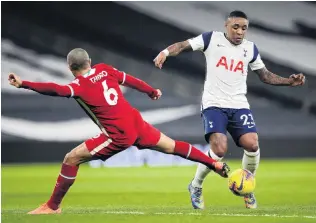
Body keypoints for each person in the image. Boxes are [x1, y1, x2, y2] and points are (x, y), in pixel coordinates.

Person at [8, 48, 230, 215]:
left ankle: (52, 206)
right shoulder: (105, 69)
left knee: (71, 158)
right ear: (90, 62)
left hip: (118, 134)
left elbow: (56, 90)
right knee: (173, 146)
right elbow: (130, 80)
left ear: (70, 68)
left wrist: (24, 83)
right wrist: (151, 91)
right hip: (136, 122)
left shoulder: (77, 86)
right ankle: (214, 163)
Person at [153, 10, 306, 209]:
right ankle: (196, 185)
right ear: (226, 25)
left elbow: (265, 75)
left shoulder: (250, 49)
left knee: (252, 144)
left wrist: (288, 82)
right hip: (214, 104)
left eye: (244, 28)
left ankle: (247, 188)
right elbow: (182, 45)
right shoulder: (211, 39)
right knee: (219, 149)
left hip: (239, 105)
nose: (240, 32)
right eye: (236, 27)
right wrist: (165, 52)